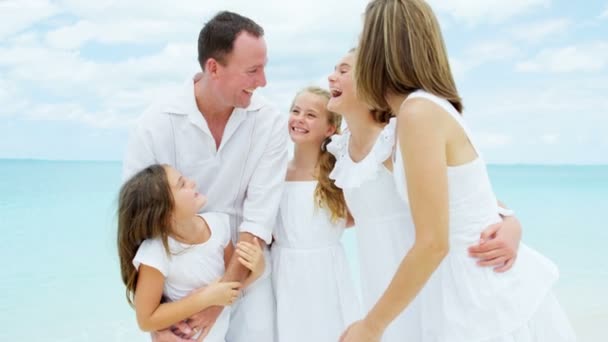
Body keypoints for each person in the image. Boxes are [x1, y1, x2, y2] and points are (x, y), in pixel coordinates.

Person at [341, 0, 577, 341]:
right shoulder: (422, 112)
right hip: (462, 290)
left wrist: (372, 326)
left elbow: (433, 243)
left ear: (380, 48)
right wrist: (510, 220)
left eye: (364, 41)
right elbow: (467, 198)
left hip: (478, 294)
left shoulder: (419, 114)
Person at [327, 47, 525, 341]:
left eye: (344, 70)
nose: (332, 77)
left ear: (371, 76)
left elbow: (465, 197)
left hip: (421, 285)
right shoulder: (340, 149)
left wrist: (511, 225)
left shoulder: (395, 140)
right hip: (379, 281)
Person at [122, 11, 287, 342]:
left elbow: (257, 222)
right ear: (213, 68)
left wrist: (217, 303)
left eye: (264, 68)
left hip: (247, 276)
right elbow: (135, 225)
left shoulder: (269, 122)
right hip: (178, 289)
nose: (263, 81)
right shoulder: (154, 124)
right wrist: (162, 321)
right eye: (253, 71)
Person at [117, 164, 265, 341]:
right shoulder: (155, 253)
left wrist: (257, 271)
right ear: (165, 213)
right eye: (182, 184)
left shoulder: (218, 226)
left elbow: (228, 288)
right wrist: (205, 299)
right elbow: (146, 320)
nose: (192, 183)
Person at [271, 86, 361, 341]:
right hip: (283, 272)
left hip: (325, 273)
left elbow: (354, 215)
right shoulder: (275, 172)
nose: (299, 118)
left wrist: (319, 236)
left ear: (330, 128)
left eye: (311, 115)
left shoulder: (337, 174)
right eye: (295, 110)